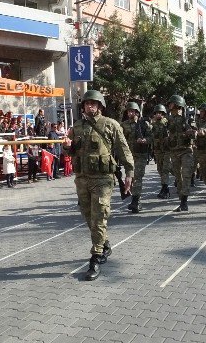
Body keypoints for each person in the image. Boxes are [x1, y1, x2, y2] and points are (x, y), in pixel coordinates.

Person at [62, 90, 134, 281]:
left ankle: (96, 256)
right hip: (82, 179)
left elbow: (124, 150)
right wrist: (67, 145)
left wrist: (130, 173)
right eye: (87, 104)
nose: (89, 106)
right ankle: (104, 243)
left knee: (99, 217)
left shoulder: (110, 125)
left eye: (93, 104)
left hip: (103, 180)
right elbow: (70, 152)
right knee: (88, 217)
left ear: (100, 106)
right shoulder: (76, 127)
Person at [166, 95, 196, 212]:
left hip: (186, 150)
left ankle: (184, 201)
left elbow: (195, 133)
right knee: (178, 176)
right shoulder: (168, 119)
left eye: (171, 103)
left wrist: (190, 132)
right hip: (174, 151)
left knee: (186, 174)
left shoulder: (188, 119)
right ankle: (181, 198)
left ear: (177, 104)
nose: (169, 105)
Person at [120, 102, 152, 213]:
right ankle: (137, 200)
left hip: (141, 155)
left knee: (137, 177)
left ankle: (135, 200)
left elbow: (151, 137)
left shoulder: (144, 124)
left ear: (137, 112)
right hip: (129, 156)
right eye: (128, 111)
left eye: (132, 111)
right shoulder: (123, 125)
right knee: (131, 178)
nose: (130, 113)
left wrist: (145, 140)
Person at [151, 104, 171, 199]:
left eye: (160, 113)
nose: (158, 115)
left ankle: (165, 189)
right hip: (158, 150)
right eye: (157, 113)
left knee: (165, 169)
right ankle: (164, 187)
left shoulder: (166, 123)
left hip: (167, 150)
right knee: (160, 169)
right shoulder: (153, 124)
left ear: (163, 114)